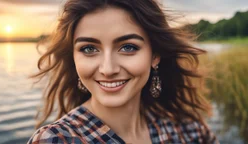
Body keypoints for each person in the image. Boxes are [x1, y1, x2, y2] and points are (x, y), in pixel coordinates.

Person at [28, 0, 219, 143]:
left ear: (155, 55)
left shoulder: (189, 131)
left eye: (128, 47)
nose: (108, 69)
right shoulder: (56, 140)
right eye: (88, 49)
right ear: (74, 58)